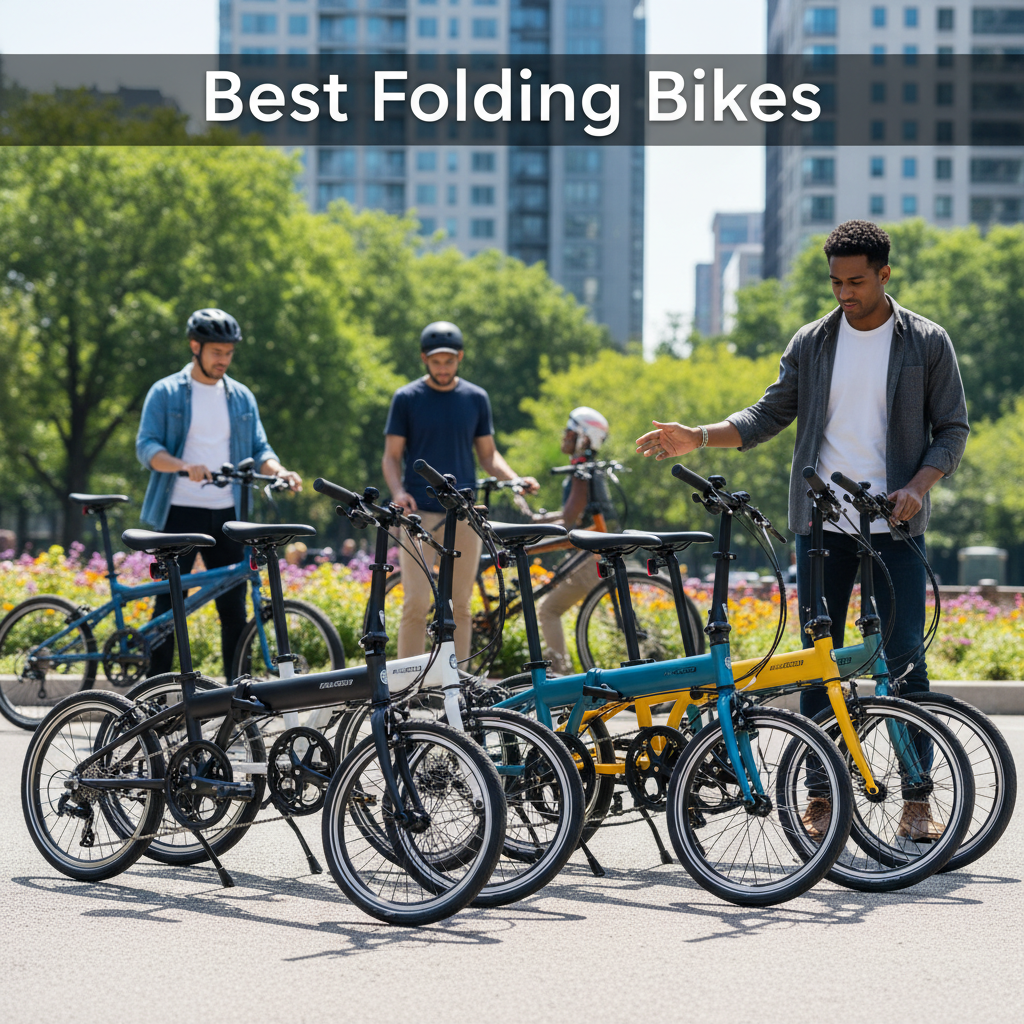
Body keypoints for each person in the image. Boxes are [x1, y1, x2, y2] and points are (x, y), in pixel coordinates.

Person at [636, 220, 969, 841]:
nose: (845, 293)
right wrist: (700, 435)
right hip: (821, 525)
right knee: (820, 662)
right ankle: (822, 794)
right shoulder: (813, 342)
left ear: (884, 274)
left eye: (857, 281)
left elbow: (951, 430)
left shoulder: (925, 341)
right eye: (836, 282)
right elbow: (767, 415)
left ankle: (918, 798)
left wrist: (916, 488)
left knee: (903, 661)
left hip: (894, 525)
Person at [136, 308, 302, 677]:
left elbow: (261, 451)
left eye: (228, 352)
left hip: (228, 515)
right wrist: (181, 464)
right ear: (195, 346)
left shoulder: (241, 397)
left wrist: (280, 471)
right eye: (216, 352)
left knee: (233, 609)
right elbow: (146, 448)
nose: (223, 360)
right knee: (168, 607)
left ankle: (235, 694)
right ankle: (153, 700)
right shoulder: (165, 392)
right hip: (177, 511)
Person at [382, 321, 539, 662]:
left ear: (460, 358)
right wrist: (396, 491)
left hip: (463, 513)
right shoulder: (407, 398)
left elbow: (488, 455)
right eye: (436, 361)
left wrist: (514, 479)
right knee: (416, 604)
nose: (442, 368)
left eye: (449, 361)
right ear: (424, 359)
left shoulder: (475, 398)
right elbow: (392, 456)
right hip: (417, 513)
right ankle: (409, 689)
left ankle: (460, 686)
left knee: (460, 605)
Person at [533, 407, 609, 675]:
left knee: (548, 610)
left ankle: (560, 675)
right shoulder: (589, 470)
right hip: (593, 557)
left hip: (588, 561)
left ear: (585, 438)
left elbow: (567, 521)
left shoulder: (581, 472)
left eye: (569, 432)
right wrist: (535, 520)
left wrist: (528, 537)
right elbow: (573, 516)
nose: (563, 437)